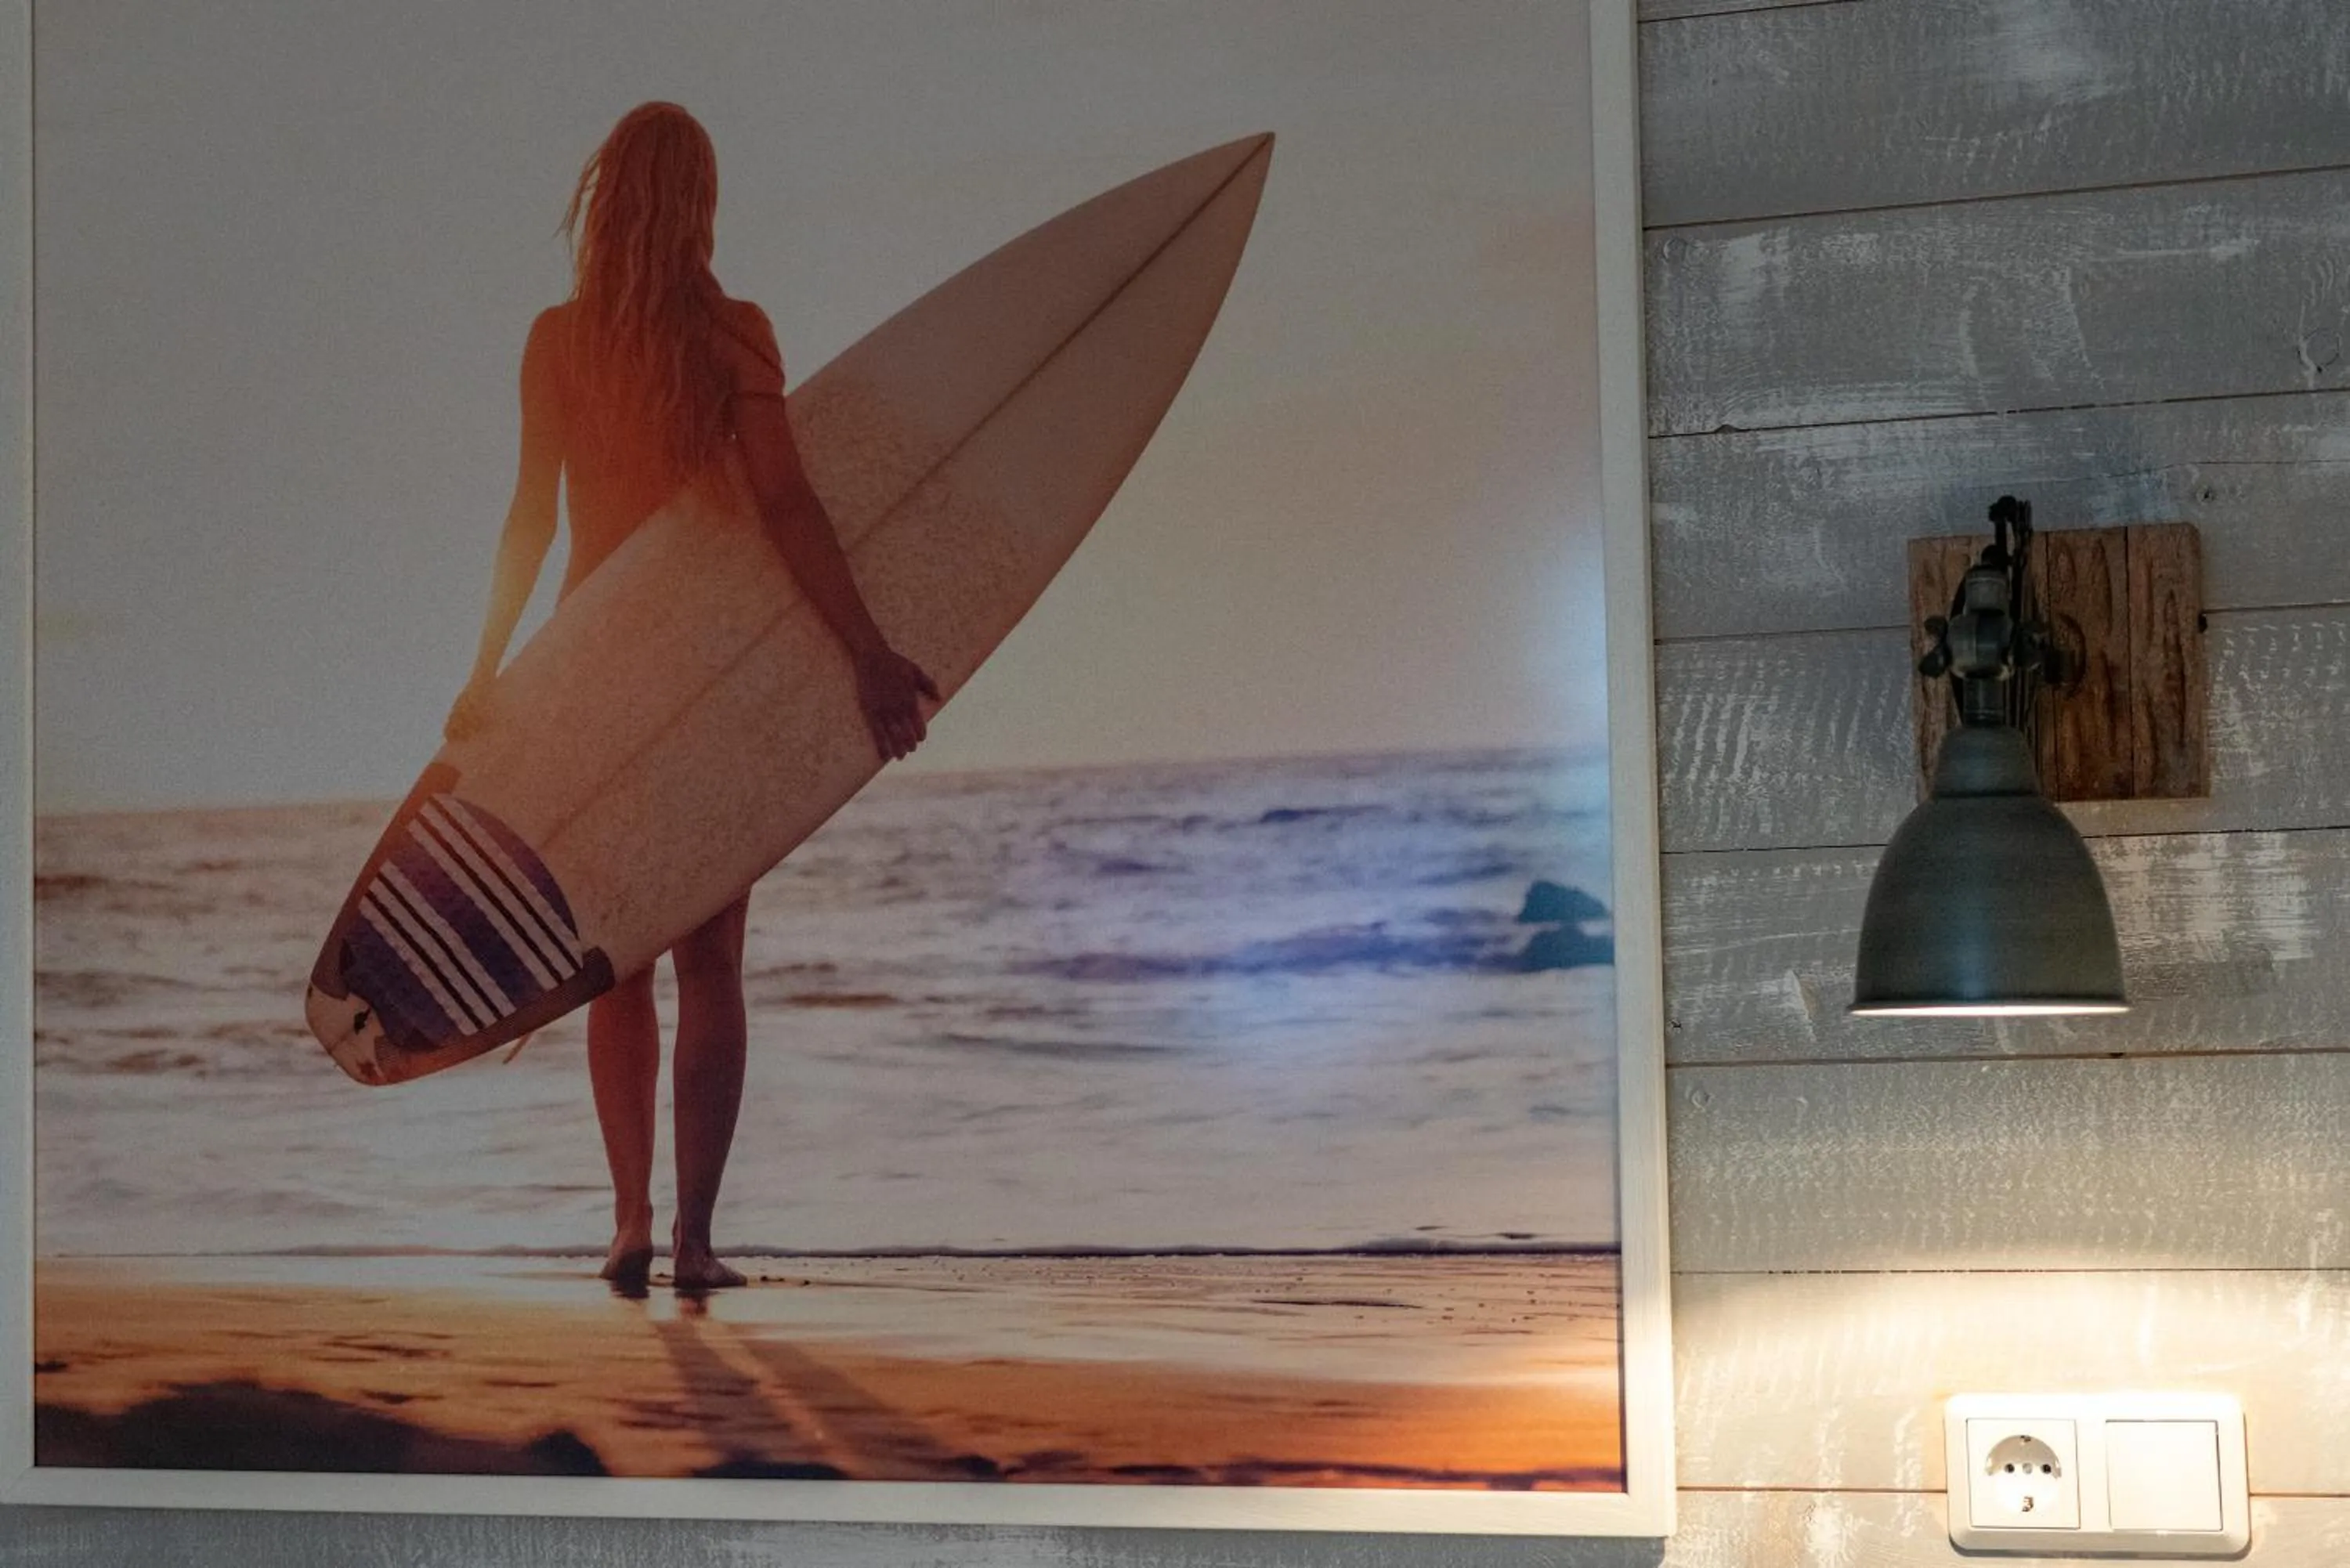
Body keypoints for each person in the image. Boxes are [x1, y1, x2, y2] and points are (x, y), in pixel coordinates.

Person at [443, 102, 936, 1292]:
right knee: (712, 956)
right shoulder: (736, 336)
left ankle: (628, 1225)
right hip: (709, 675)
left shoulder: (558, 341)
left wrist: (489, 668)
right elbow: (787, 507)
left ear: (605, 203)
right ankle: (700, 1241)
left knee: (618, 955)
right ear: (702, 206)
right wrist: (866, 649)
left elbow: (531, 518)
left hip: (596, 666)